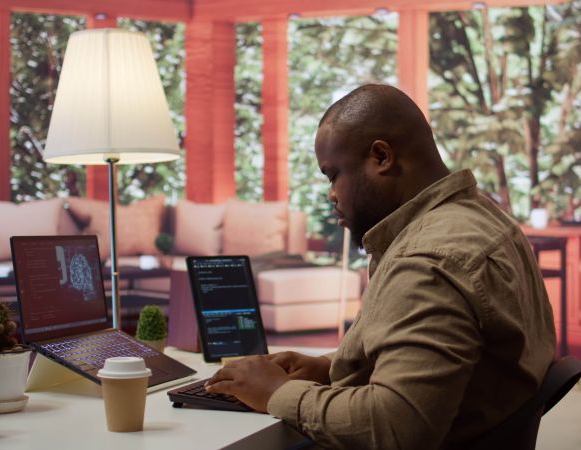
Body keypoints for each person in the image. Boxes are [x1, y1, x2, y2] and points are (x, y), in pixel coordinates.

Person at [205, 84, 557, 449]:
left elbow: (395, 427)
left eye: (333, 175)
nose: (331, 194)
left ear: (381, 157)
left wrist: (279, 392)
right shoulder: (487, 222)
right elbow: (458, 370)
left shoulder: (427, 262)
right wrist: (331, 369)